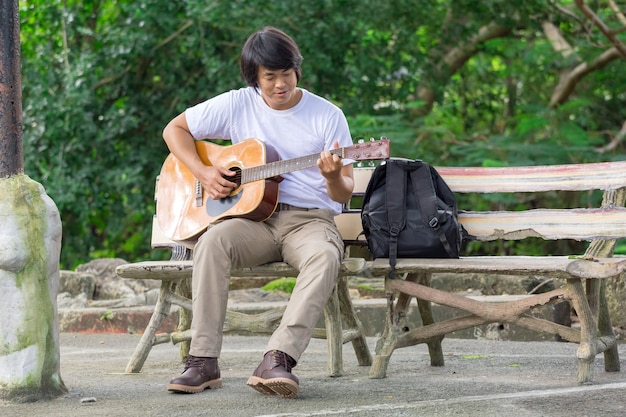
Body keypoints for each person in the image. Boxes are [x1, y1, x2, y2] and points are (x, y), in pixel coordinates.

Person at [162, 26, 354, 399]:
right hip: (253, 220)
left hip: (309, 220)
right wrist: (204, 172)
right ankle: (202, 362)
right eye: (270, 77)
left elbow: (344, 189)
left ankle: (278, 358)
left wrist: (333, 176)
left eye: (287, 74)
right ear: (255, 79)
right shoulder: (237, 103)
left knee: (326, 256)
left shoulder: (327, 115)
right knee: (213, 241)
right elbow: (175, 130)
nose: (280, 84)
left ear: (297, 70)